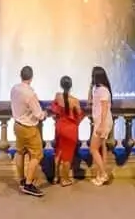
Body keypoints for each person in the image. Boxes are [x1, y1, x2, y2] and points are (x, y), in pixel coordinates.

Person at [10, 65, 46, 197]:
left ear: (21, 76)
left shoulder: (14, 88)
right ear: (31, 77)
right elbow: (38, 114)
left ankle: (21, 179)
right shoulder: (30, 94)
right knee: (37, 155)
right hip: (29, 128)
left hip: (17, 125)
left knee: (20, 152)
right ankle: (29, 185)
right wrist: (44, 114)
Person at [50, 75, 83, 186]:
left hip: (59, 127)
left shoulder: (57, 96)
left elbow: (54, 109)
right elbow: (79, 115)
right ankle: (65, 179)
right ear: (71, 86)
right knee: (67, 156)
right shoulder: (75, 101)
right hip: (70, 130)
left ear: (61, 85)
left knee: (58, 152)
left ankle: (55, 177)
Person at [88, 65, 113, 186]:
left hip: (102, 122)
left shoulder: (103, 90)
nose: (91, 78)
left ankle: (103, 173)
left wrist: (101, 126)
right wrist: (90, 87)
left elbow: (104, 109)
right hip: (99, 122)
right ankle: (100, 175)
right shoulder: (97, 89)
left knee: (93, 149)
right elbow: (90, 101)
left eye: (93, 76)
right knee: (100, 148)